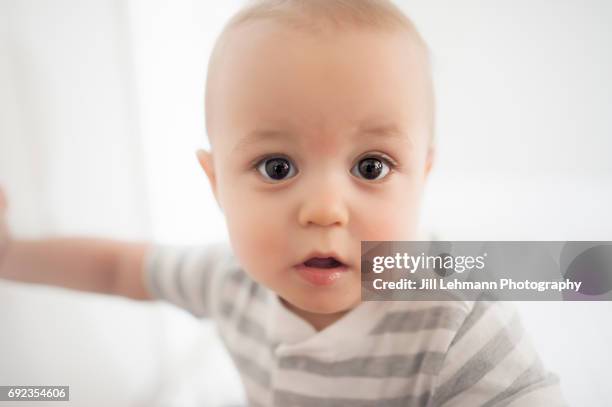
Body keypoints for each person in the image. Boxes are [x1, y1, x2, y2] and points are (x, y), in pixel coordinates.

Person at [0, 0, 567, 405]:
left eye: (371, 166)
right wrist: (11, 253)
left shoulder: (457, 321)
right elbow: (118, 267)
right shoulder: (230, 280)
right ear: (217, 183)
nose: (324, 209)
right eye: (277, 167)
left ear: (422, 176)